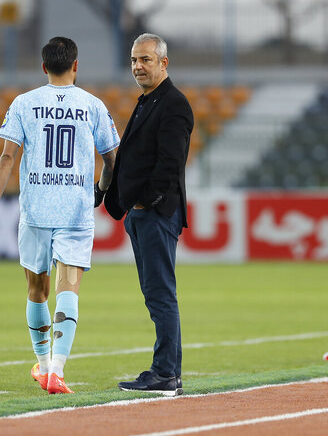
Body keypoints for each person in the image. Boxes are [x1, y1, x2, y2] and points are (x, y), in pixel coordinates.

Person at [0, 36, 119, 394]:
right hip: (74, 209)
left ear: (43, 67)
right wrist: (100, 190)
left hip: (36, 208)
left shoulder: (24, 103)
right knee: (68, 287)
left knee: (36, 288)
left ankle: (42, 366)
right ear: (76, 66)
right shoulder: (92, 105)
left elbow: (8, 157)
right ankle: (58, 369)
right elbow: (112, 158)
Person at [104, 33, 194, 397]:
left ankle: (165, 374)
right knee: (156, 293)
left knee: (160, 294)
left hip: (156, 212)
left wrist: (144, 201)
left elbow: (170, 164)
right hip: (142, 213)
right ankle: (169, 372)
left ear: (163, 63)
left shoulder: (173, 104)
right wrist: (118, 201)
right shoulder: (148, 101)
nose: (138, 66)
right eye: (134, 60)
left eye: (146, 60)